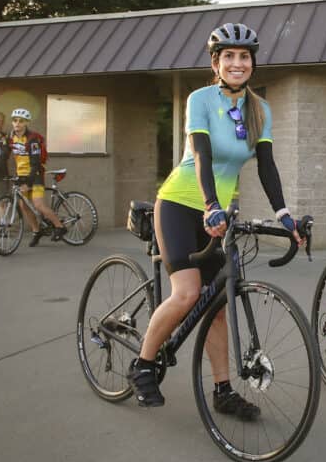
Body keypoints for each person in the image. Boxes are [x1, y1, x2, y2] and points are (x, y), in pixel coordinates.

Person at [129, 23, 303, 415]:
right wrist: (210, 205)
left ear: (252, 64)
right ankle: (142, 364)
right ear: (216, 62)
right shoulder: (200, 99)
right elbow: (203, 154)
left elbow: (268, 167)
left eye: (244, 57)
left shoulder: (260, 110)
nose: (237, 63)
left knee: (218, 305)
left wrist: (285, 215)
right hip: (180, 203)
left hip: (217, 214)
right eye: (229, 57)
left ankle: (223, 390)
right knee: (188, 293)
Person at [6, 108, 66, 246]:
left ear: (26, 123)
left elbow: (35, 163)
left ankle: (60, 227)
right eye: (15, 120)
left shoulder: (32, 139)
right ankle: (36, 231)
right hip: (21, 175)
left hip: (35, 174)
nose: (17, 124)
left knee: (38, 205)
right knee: (24, 206)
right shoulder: (11, 138)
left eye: (21, 121)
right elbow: (4, 156)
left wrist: (28, 182)